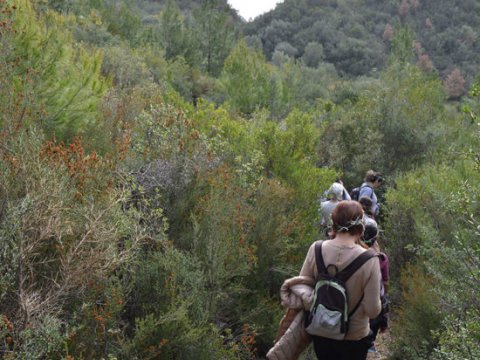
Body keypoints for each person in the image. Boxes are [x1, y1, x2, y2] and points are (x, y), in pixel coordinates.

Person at [301, 201, 382, 360]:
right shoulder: (370, 259)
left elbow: (302, 289)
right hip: (355, 338)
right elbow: (373, 310)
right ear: (361, 226)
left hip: (321, 332)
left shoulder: (316, 249)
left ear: (333, 223)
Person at [361, 222, 390, 353]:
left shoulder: (355, 253)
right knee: (382, 301)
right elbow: (386, 282)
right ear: (375, 238)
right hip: (373, 302)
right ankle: (371, 339)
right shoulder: (381, 258)